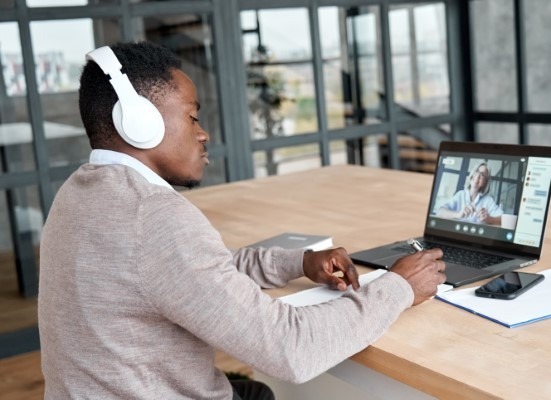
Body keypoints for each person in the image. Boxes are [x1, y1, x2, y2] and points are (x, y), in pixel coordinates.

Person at [38, 41, 446, 400]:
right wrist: (399, 287)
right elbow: (291, 349)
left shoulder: (77, 194)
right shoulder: (155, 217)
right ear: (139, 122)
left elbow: (197, 269)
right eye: (193, 117)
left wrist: (298, 262)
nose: (203, 134)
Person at [436, 162, 503, 225]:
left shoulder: (488, 200)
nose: (477, 176)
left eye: (482, 175)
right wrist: (458, 214)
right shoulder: (460, 195)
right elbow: (439, 212)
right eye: (477, 172)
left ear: (485, 182)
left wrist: (489, 219)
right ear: (472, 175)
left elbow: (503, 219)